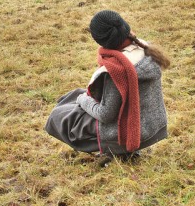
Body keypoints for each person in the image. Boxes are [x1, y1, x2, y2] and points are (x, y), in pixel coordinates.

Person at [45, 10, 169, 160]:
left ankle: (117, 151)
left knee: (58, 116)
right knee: (72, 96)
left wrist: (82, 99)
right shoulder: (145, 49)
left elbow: (105, 114)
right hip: (151, 124)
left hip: (131, 132)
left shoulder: (117, 70)